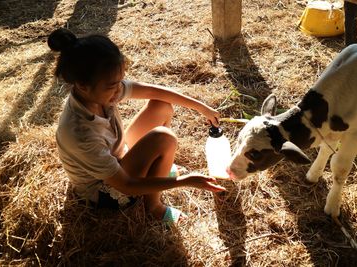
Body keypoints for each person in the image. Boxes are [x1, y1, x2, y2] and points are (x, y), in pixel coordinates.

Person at [47, 28, 225, 224]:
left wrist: (201, 107)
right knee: (164, 137)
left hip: (118, 154)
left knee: (161, 106)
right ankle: (154, 206)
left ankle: (158, 171)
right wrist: (187, 181)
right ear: (82, 85)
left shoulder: (99, 92)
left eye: (119, 82)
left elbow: (153, 92)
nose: (119, 89)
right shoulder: (79, 132)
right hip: (105, 189)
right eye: (112, 85)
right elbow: (126, 186)